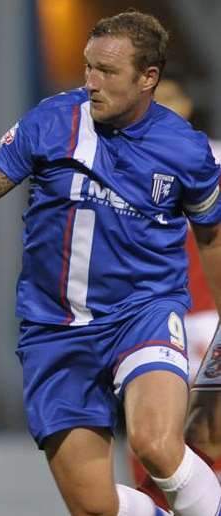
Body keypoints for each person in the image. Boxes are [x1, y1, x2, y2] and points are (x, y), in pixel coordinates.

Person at [0, 10, 221, 515]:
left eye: (107, 72)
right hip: (54, 329)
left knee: (155, 445)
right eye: (88, 67)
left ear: (148, 77)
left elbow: (211, 237)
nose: (91, 82)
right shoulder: (51, 122)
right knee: (92, 507)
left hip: (143, 313)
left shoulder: (187, 150)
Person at [131, 78, 221, 508]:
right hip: (150, 326)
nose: (161, 107)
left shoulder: (215, 160)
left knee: (206, 436)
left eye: (170, 98)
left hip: (208, 322)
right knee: (151, 440)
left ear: (189, 103)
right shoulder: (123, 165)